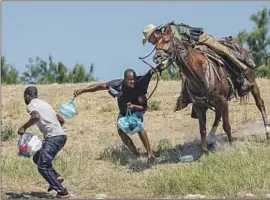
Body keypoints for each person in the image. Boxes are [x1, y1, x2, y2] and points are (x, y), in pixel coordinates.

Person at [142, 22, 255, 114]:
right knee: (186, 74)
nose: (151, 42)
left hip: (200, 40)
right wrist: (160, 65)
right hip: (192, 51)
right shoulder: (161, 42)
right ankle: (189, 98)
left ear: (154, 35)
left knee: (223, 50)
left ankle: (242, 66)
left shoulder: (169, 30)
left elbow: (178, 48)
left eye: (149, 39)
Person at [73, 68, 161, 163]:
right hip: (123, 113)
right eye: (130, 79)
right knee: (120, 131)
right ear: (125, 79)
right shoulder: (117, 84)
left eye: (133, 79)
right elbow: (99, 86)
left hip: (137, 110)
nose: (132, 81)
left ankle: (150, 154)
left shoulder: (140, 85)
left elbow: (144, 108)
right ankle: (137, 154)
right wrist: (83, 90)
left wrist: (133, 106)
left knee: (137, 126)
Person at [18, 86, 71, 199]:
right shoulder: (45, 104)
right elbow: (61, 119)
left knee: (42, 166)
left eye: (24, 97)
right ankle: (56, 177)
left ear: (26, 96)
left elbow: (35, 117)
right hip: (61, 136)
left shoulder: (31, 104)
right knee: (37, 157)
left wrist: (23, 127)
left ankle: (62, 192)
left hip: (53, 137)